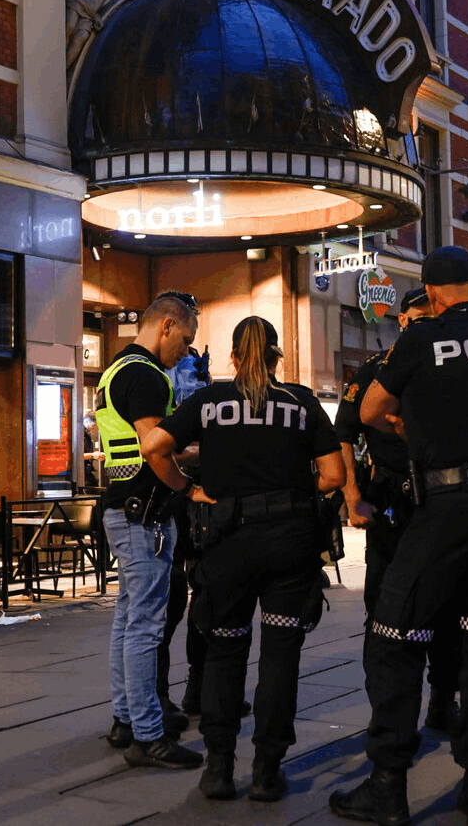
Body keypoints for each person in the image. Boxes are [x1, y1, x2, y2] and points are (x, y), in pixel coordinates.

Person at [331, 247, 468, 826]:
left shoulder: (420, 340)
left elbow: (372, 409)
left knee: (393, 631)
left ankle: (388, 784)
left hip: (449, 501)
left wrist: (414, 422)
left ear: (432, 292)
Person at [139, 316, 345, 803]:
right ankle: (269, 770)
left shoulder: (210, 401)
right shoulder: (300, 401)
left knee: (225, 651)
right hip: (289, 542)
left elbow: (153, 446)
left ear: (233, 356)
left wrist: (189, 488)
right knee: (280, 655)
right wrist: (295, 490)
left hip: (228, 540)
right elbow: (334, 476)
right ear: (276, 354)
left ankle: (219, 767)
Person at [336, 288, 464, 736]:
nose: (419, 325)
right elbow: (344, 433)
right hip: (385, 495)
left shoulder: (450, 366)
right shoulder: (376, 369)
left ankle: (444, 699)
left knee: (445, 604)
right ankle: (385, 708)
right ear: (403, 321)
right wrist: (353, 497)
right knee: (381, 605)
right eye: (413, 318)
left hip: (439, 496)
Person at [95, 292, 203, 769]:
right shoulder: (146, 376)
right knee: (144, 627)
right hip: (145, 515)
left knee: (127, 622)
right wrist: (190, 488)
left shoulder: (114, 370)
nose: (185, 350)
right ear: (165, 325)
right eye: (185, 338)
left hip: (121, 509)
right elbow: (155, 449)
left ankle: (126, 719)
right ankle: (147, 735)